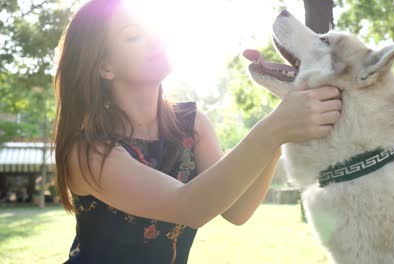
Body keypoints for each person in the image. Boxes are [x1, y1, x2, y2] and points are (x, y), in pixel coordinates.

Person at [53, 0, 342, 263]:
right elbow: (189, 206)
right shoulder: (88, 151)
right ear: (105, 66)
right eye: (133, 36)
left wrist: (280, 136)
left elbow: (237, 210)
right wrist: (275, 126)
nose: (154, 39)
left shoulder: (191, 126)